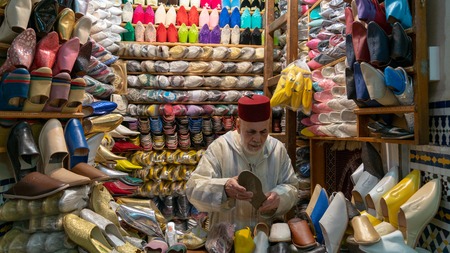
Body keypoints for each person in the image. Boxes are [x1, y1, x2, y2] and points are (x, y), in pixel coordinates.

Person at [186, 94, 299, 230]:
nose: (257, 139)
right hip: (226, 241)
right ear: (238, 126)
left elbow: (292, 187)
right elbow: (192, 189)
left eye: (263, 132)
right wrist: (223, 188)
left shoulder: (277, 150)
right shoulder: (220, 148)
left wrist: (279, 198)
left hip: (264, 238)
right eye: (251, 132)